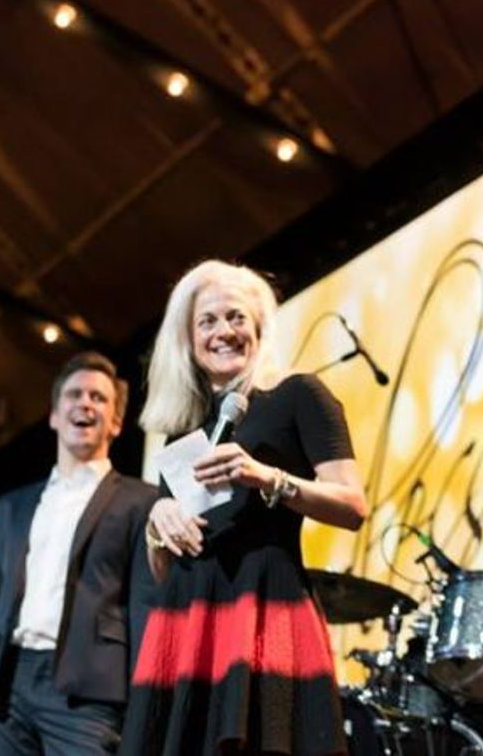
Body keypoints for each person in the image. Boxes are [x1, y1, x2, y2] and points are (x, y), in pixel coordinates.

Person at [119, 260, 368, 756]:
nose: (223, 332)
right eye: (207, 322)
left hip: (265, 604)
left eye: (235, 317)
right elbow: (163, 565)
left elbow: (353, 505)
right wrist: (157, 524)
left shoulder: (299, 395)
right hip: (188, 618)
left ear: (258, 327)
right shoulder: (182, 426)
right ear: (188, 340)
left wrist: (267, 477)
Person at [0, 351, 157, 755]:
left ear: (117, 423)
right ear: (53, 415)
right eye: (74, 394)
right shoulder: (9, 508)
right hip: (3, 689)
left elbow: (144, 610)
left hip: (88, 695)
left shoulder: (142, 502)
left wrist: (146, 705)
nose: (85, 403)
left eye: (99, 398)